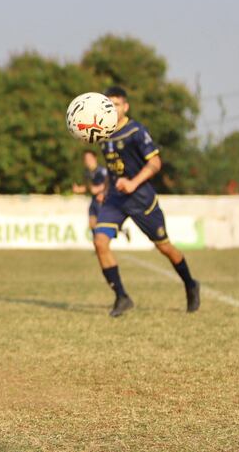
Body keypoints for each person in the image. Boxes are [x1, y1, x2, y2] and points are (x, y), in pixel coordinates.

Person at [93, 86, 200, 317]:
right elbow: (114, 168)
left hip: (141, 198)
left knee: (164, 247)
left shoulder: (136, 131)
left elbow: (155, 163)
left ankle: (190, 283)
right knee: (100, 242)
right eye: (108, 104)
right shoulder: (102, 134)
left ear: (126, 106)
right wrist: (105, 189)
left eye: (117, 104)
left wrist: (133, 183)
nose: (112, 108)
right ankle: (122, 297)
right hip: (115, 200)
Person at [72, 150, 107, 234]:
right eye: (86, 159)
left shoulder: (101, 171)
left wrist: (100, 191)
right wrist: (79, 189)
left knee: (102, 226)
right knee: (92, 224)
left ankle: (121, 230)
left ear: (95, 158)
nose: (88, 161)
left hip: (102, 200)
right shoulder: (87, 173)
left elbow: (108, 184)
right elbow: (90, 188)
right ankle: (96, 243)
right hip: (94, 200)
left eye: (89, 158)